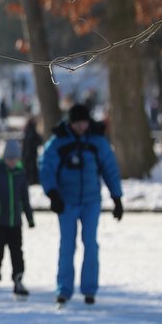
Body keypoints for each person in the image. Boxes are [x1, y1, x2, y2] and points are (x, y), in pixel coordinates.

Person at [40, 103, 123, 306]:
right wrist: (53, 194)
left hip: (91, 202)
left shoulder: (97, 141)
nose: (81, 127)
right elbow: (46, 167)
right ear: (71, 122)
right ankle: (64, 290)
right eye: (77, 123)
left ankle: (89, 289)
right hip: (66, 202)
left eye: (84, 123)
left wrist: (117, 197)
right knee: (67, 245)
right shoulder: (58, 142)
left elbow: (110, 169)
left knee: (91, 244)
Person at [0, 140, 35, 299]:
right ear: (4, 158)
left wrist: (29, 217)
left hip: (15, 223)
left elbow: (25, 198)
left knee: (17, 252)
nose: (12, 162)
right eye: (9, 158)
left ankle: (18, 280)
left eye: (15, 159)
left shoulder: (20, 174)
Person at [21, 115, 42, 186]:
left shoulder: (27, 130)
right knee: (31, 168)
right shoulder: (31, 130)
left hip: (28, 154)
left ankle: (31, 180)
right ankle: (32, 181)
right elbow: (37, 141)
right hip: (30, 154)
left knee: (29, 168)